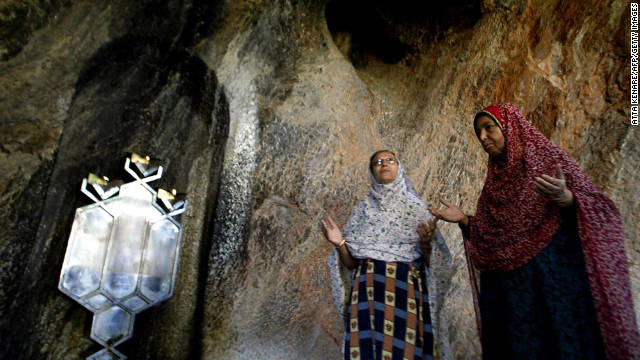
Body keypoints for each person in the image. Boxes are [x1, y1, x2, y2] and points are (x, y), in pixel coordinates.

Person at [430, 103, 640, 360]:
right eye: (479, 133)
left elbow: (604, 212)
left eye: (489, 128)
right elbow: (496, 237)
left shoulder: (549, 162)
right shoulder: (493, 187)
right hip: (512, 302)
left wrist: (569, 199)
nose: (483, 138)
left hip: (555, 292)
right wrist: (464, 220)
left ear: (511, 127)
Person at [322, 150, 445, 360]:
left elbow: (436, 263)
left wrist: (425, 244)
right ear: (372, 172)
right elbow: (351, 264)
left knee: (405, 349)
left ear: (399, 168)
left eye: (390, 160)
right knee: (366, 350)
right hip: (366, 293)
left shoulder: (417, 209)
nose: (384, 164)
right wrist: (340, 243)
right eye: (378, 162)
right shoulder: (361, 211)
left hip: (405, 292)